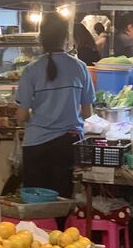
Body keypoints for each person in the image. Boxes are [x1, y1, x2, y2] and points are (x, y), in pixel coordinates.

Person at [16, 13, 95, 198]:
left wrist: (33, 116)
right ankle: (60, 227)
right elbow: (87, 113)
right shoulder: (80, 67)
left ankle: (37, 228)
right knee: (61, 197)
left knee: (35, 199)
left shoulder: (31, 70)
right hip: (67, 143)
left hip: (36, 143)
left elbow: (21, 115)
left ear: (41, 39)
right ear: (66, 38)